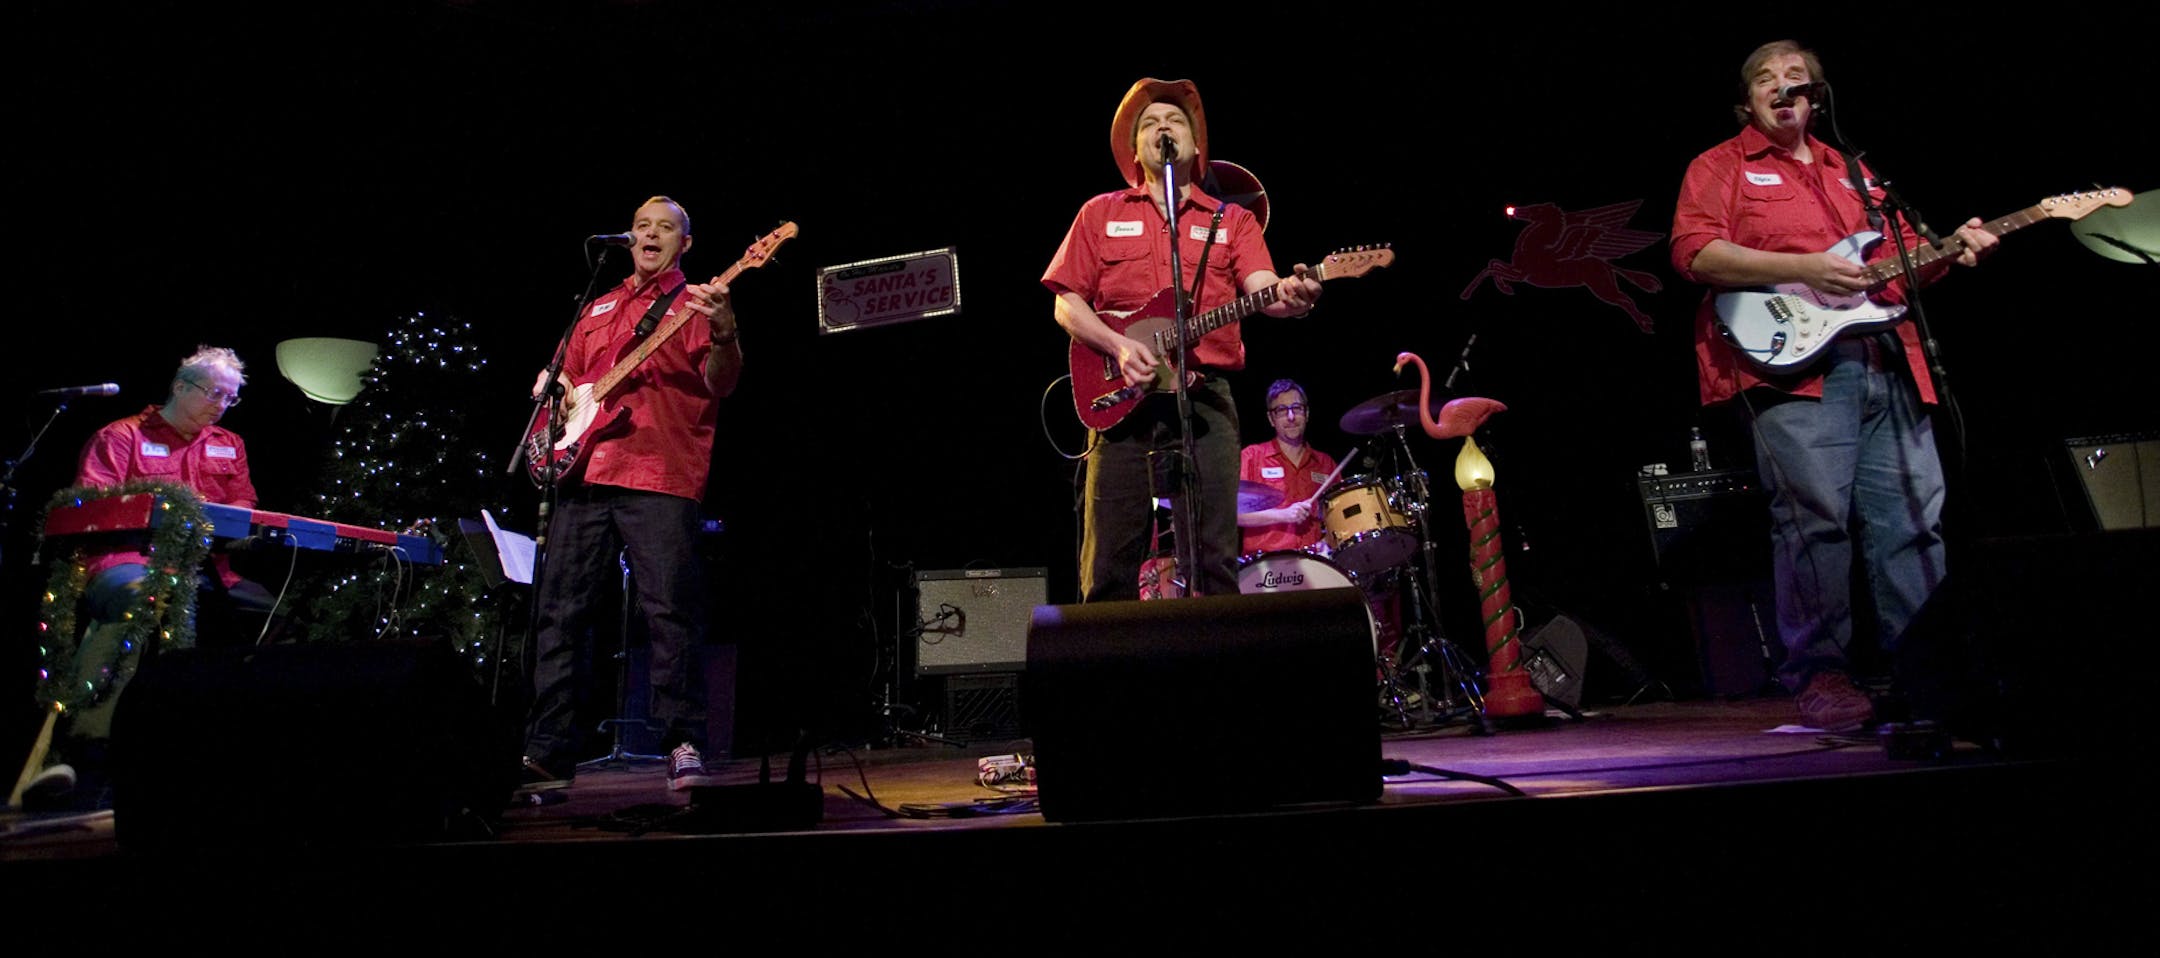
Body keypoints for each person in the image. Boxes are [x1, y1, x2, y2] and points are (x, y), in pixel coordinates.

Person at [1670, 40, 1997, 731]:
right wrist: (1807, 268)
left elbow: (1900, 263)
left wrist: (1952, 249)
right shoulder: (1721, 165)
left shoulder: (1854, 170)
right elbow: (1695, 252)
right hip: (1793, 370)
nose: (1782, 86)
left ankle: (1927, 672)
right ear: (1747, 101)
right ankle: (1820, 674)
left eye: (1797, 77)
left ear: (1817, 96)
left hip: (1887, 358)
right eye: (1766, 79)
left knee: (1914, 523)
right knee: (1813, 522)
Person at [1044, 78, 1322, 602]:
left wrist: (1295, 296)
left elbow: (1266, 291)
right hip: (1122, 402)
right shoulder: (1101, 213)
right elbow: (1065, 302)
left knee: (1214, 562)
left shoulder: (1232, 221)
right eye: (1149, 123)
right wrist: (1118, 346)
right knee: (1108, 566)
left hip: (1205, 401)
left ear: (1196, 146)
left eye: (1175, 121)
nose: (1163, 128)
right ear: (1134, 150)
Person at [519, 195, 741, 795]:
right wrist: (557, 387)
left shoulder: (695, 305)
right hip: (584, 473)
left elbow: (721, 383)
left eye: (665, 228)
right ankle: (548, 751)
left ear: (684, 245)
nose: (650, 235)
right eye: (642, 226)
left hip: (659, 473)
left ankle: (683, 743)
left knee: (670, 611)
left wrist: (725, 331)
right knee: (560, 613)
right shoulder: (598, 305)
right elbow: (565, 375)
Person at [19, 346, 264, 810]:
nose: (221, 404)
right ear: (180, 387)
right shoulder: (121, 437)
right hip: (127, 561)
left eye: (230, 397)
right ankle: (81, 751)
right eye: (214, 393)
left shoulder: (229, 443)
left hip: (206, 569)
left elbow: (243, 505)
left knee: (275, 614)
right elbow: (90, 505)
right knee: (140, 598)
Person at [1237, 379, 1336, 557]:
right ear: (1271, 418)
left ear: (1306, 414)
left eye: (1296, 408)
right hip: (1265, 564)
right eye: (1282, 410)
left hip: (1315, 563)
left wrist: (1327, 541)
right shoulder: (1251, 457)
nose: (1291, 417)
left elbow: (1339, 517)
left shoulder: (1326, 464)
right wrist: (1284, 515)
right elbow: (1234, 515)